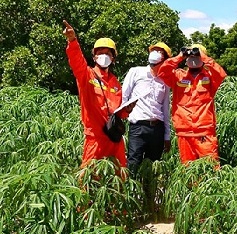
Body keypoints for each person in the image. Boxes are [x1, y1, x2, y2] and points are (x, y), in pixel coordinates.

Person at [62, 20, 133, 168]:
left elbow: (119, 113)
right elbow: (76, 61)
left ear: (113, 58)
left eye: (108, 53)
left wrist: (127, 109)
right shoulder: (86, 75)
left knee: (119, 178)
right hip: (95, 139)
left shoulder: (115, 82)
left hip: (114, 138)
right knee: (89, 180)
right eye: (100, 53)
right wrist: (72, 41)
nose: (104, 56)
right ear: (94, 57)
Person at [156, 43, 227, 164]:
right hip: (184, 132)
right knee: (189, 171)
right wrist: (180, 56)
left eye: (196, 54)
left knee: (210, 168)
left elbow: (220, 73)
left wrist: (203, 56)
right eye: (191, 54)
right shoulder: (178, 76)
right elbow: (163, 71)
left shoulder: (210, 77)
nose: (193, 57)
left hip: (205, 132)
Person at [122, 42, 172, 179]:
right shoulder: (136, 71)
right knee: (133, 163)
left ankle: (149, 196)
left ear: (165, 59)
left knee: (153, 167)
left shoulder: (165, 80)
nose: (156, 52)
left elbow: (165, 108)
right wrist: (121, 119)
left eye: (160, 52)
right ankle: (130, 195)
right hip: (138, 126)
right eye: (154, 50)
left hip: (157, 128)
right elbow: (124, 96)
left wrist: (167, 136)